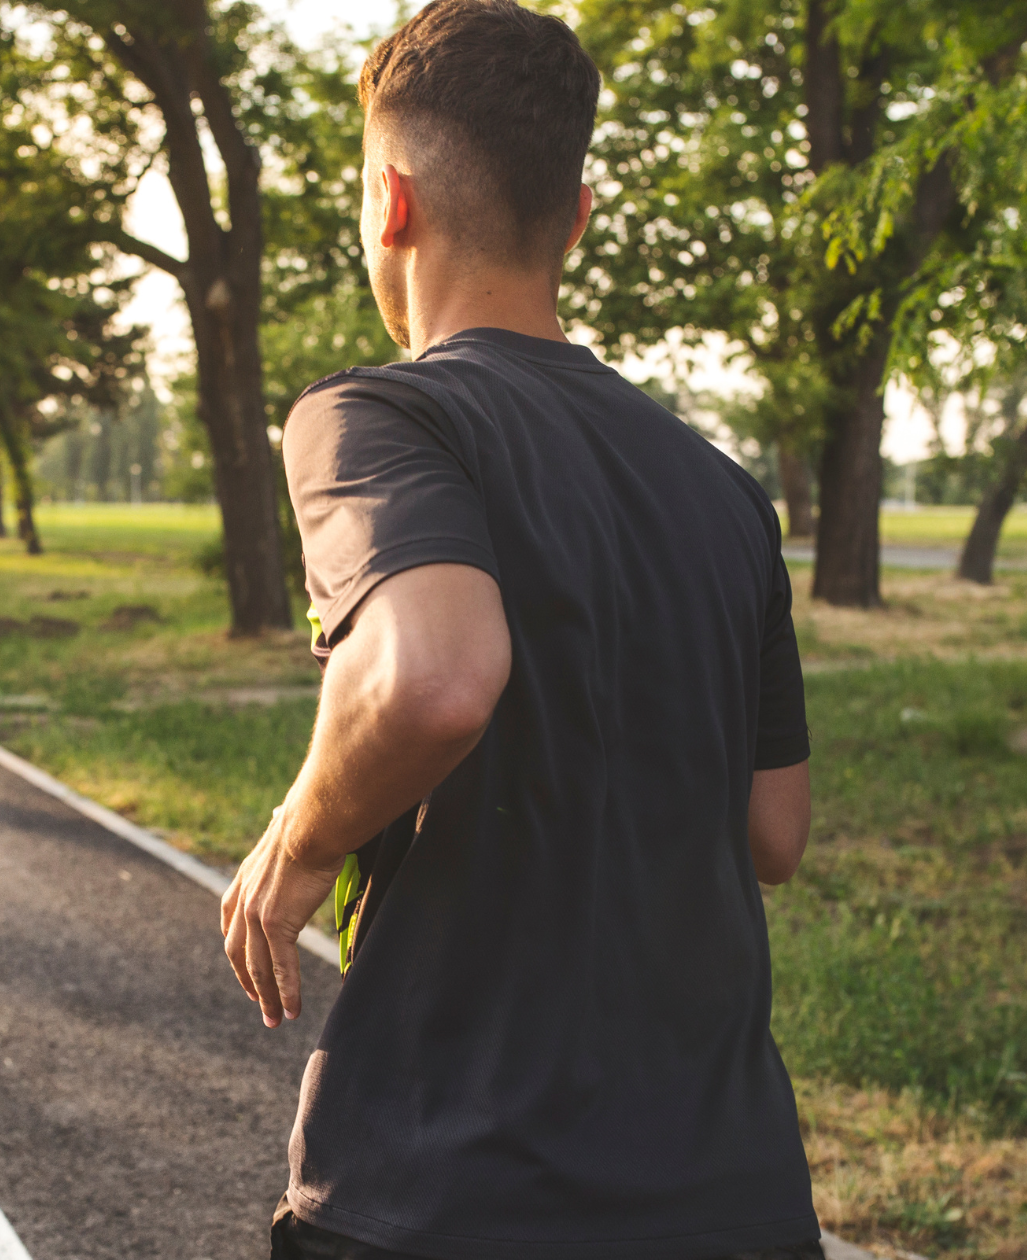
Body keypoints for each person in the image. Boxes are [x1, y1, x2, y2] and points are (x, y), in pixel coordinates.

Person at [217, 3, 820, 1258]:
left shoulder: (372, 419)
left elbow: (436, 679)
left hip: (453, 1191)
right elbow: (773, 833)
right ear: (578, 217)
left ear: (389, 200)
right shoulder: (721, 489)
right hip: (733, 1199)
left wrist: (297, 842)